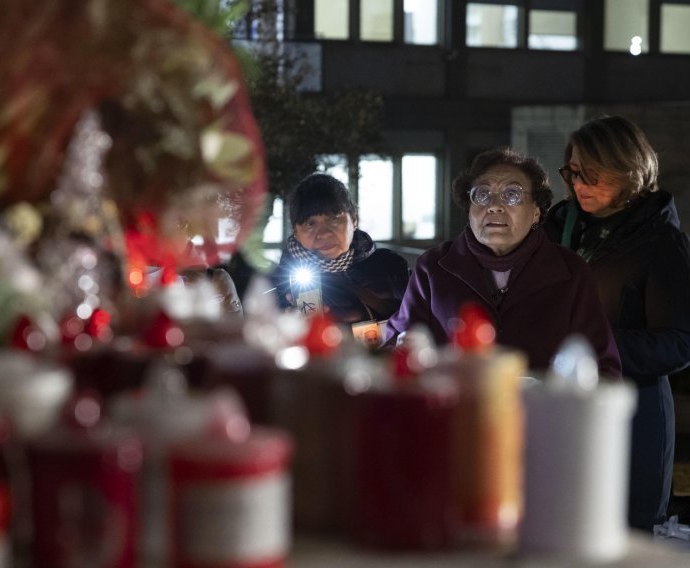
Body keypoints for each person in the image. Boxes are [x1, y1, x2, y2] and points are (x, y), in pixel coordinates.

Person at [542, 115, 690, 531]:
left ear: (630, 172)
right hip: (562, 405)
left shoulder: (662, 244)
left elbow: (679, 343)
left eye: (591, 175)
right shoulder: (562, 224)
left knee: (621, 533)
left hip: (632, 415)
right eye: (572, 172)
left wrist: (593, 347)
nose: (578, 185)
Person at [385, 146, 621, 377]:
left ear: (537, 210)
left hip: (544, 413)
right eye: (482, 195)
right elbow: (396, 345)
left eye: (512, 195)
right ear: (469, 207)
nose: (495, 206)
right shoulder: (434, 267)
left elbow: (603, 368)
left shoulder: (572, 271)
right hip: (455, 411)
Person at [272, 173, 409, 344]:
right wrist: (285, 327)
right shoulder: (281, 283)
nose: (324, 234)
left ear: (354, 220)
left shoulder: (390, 267)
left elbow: (418, 329)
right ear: (296, 231)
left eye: (334, 220)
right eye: (310, 224)